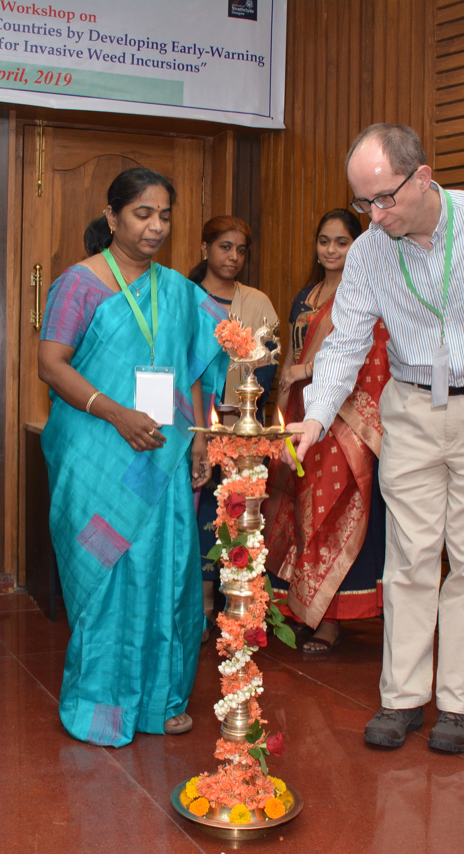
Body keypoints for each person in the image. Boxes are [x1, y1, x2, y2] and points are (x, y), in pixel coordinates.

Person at [287, 124, 464, 754]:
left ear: (422, 176)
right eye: (364, 203)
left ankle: (461, 704)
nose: (375, 216)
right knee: (409, 558)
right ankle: (402, 698)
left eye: (384, 199)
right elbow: (346, 343)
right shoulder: (368, 253)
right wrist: (315, 415)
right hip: (409, 407)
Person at [37, 167, 229, 747]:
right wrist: (116, 413)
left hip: (162, 459)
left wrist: (200, 438)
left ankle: (161, 700)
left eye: (164, 216)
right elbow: (52, 363)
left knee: (169, 573)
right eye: (143, 214)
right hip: (98, 453)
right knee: (109, 573)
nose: (155, 226)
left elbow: (196, 365)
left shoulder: (179, 291)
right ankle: (101, 703)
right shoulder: (80, 283)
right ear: (113, 215)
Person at [265, 209, 389, 655]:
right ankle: (302, 608)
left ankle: (332, 620)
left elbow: (365, 353)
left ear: (358, 245)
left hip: (343, 418)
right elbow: (289, 355)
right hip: (303, 412)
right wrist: (282, 399)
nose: (331, 250)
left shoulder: (366, 293)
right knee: (299, 512)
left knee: (331, 511)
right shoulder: (308, 295)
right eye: (324, 241)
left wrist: (303, 370)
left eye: (341, 241)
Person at [186, 215, 276, 640]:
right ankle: (202, 606)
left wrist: (245, 414)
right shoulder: (183, 297)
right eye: (224, 247)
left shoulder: (256, 302)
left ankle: (238, 604)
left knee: (239, 513)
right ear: (205, 249)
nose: (233, 257)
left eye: (241, 250)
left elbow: (270, 365)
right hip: (192, 425)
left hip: (242, 427)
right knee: (202, 512)